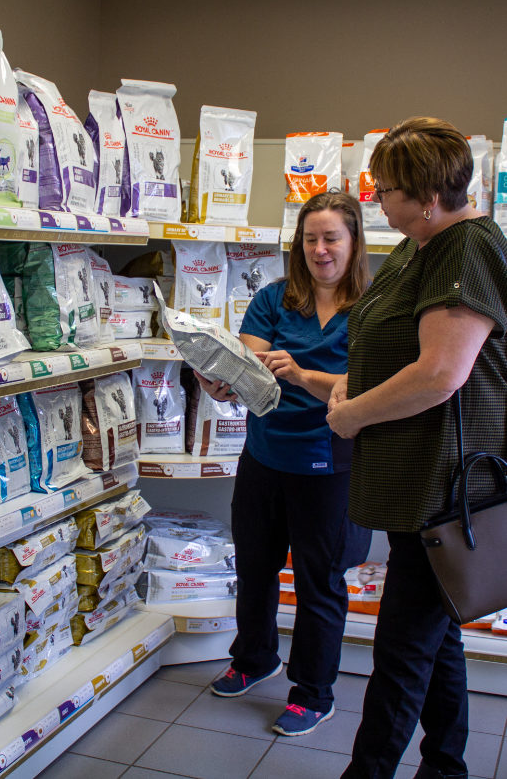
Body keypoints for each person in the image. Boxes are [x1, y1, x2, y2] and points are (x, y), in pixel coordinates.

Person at [327, 117, 507, 779]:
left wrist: (350, 418)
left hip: (445, 487)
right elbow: (385, 332)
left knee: (402, 647)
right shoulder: (417, 245)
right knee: (437, 637)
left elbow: (440, 372)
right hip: (416, 480)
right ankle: (445, 766)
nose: (377, 200)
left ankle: (367, 771)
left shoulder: (465, 249)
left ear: (428, 196)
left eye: (387, 190)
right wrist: (351, 382)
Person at [198, 190, 373, 736]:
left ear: (353, 242)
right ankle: (255, 659)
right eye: (310, 238)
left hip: (330, 463)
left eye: (332, 238)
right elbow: (247, 370)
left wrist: (298, 374)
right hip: (265, 457)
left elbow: (361, 388)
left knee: (321, 581)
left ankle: (313, 692)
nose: (320, 249)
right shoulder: (274, 300)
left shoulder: (371, 310)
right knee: (254, 568)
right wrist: (219, 381)